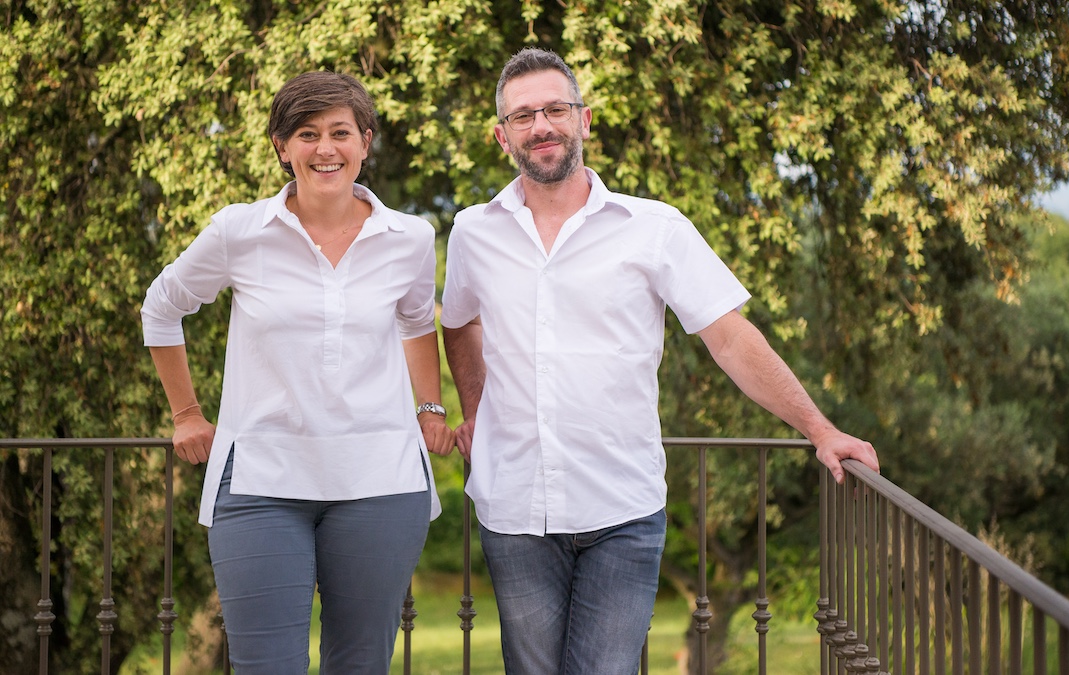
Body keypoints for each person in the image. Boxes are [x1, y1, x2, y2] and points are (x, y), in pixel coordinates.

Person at [440, 48, 881, 675]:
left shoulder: (655, 228)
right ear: (501, 134)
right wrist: (476, 410)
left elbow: (730, 339)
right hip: (513, 509)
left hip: (622, 511)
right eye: (523, 115)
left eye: (555, 109)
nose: (541, 126)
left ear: (584, 120)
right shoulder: (472, 232)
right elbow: (458, 322)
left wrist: (821, 430)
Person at [141, 70, 455, 673]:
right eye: (306, 134)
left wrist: (431, 406)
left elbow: (417, 324)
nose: (325, 148)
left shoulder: (410, 237)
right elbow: (162, 308)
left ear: (365, 141)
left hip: (382, 483)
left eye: (341, 132)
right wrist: (185, 415)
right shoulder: (240, 230)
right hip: (260, 481)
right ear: (283, 148)